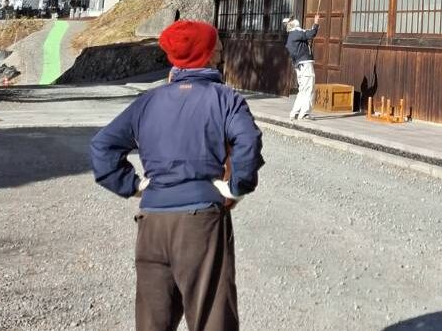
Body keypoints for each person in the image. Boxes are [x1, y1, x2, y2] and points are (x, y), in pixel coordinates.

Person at [90, 20, 264, 331]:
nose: (222, 54)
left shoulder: (148, 101)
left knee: (152, 321)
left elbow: (103, 147)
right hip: (201, 222)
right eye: (218, 49)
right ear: (207, 56)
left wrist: (136, 186)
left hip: (152, 223)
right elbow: (247, 141)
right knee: (212, 317)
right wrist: (235, 188)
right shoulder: (226, 99)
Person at [284, 17, 319, 120]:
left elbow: (307, 33)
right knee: (308, 89)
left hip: (299, 66)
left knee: (302, 90)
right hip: (305, 64)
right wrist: (316, 23)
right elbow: (310, 34)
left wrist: (314, 26)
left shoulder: (291, 36)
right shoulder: (296, 32)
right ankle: (305, 113)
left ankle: (295, 112)